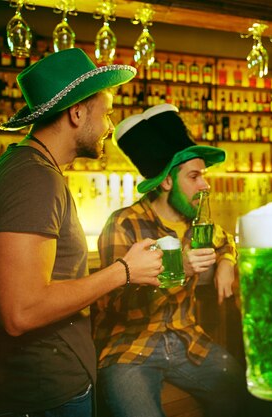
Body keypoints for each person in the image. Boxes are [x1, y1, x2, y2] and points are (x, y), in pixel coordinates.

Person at [0, 48, 163, 417]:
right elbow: (21, 310)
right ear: (77, 114)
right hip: (44, 393)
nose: (111, 127)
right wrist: (124, 271)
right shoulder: (34, 178)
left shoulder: (23, 168)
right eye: (107, 113)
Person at [93, 104, 248, 417]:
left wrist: (227, 262)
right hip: (129, 348)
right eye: (194, 176)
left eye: (203, 175)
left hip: (187, 342)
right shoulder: (124, 224)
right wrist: (180, 270)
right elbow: (116, 303)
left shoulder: (197, 224)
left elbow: (225, 239)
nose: (205, 184)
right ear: (165, 182)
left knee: (251, 401)